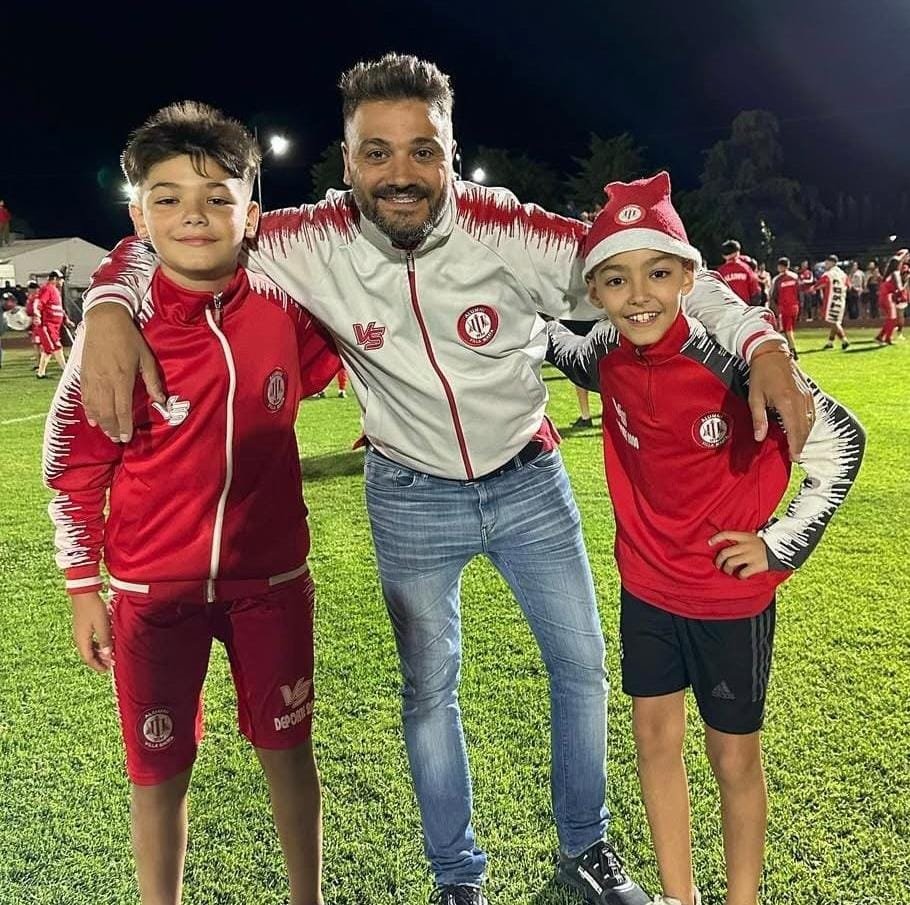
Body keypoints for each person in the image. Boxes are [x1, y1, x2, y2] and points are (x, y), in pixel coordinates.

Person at [77, 55, 813, 905]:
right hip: (410, 492)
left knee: (581, 668)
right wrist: (107, 302)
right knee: (430, 690)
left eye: (422, 150)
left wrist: (762, 341)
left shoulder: (511, 229)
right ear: (347, 160)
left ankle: (587, 849)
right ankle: (458, 877)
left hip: (529, 478)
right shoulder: (303, 239)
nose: (401, 172)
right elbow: (180, 227)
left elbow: (651, 256)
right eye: (377, 152)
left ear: (451, 152)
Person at [42, 101, 341, 905]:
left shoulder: (286, 307)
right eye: (168, 198)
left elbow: (360, 332)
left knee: (289, 753)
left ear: (252, 215)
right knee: (158, 772)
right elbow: (72, 467)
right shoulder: (118, 329)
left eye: (217, 197)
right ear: (138, 218)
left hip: (272, 585)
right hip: (151, 595)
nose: (194, 215)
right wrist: (82, 587)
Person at [546, 172, 865, 905]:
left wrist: (778, 545)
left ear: (690, 277)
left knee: (732, 759)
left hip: (727, 599)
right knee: (655, 744)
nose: (640, 295)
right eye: (617, 280)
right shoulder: (606, 353)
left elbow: (842, 444)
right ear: (595, 292)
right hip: (646, 588)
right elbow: (549, 341)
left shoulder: (734, 361)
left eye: (658, 273)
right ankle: (679, 896)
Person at [34, 270, 70, 378]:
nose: (62, 281)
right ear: (55, 279)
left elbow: (59, 308)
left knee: (48, 350)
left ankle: (41, 373)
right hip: (48, 325)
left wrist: (66, 319)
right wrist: (37, 315)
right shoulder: (47, 289)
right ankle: (66, 371)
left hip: (55, 326)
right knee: (57, 347)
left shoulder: (55, 291)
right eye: (61, 279)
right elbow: (39, 302)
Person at [813, 255, 850, 349]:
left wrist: (813, 288)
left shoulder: (828, 274)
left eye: (827, 263)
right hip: (841, 300)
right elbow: (849, 285)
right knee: (835, 320)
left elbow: (819, 284)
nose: (825, 265)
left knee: (832, 321)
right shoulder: (843, 274)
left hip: (831, 301)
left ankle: (844, 340)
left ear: (832, 263)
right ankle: (830, 342)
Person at [769, 257, 801, 360]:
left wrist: (774, 308)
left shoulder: (777, 279)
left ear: (780, 266)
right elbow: (800, 292)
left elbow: (773, 295)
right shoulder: (795, 277)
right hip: (795, 307)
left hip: (783, 308)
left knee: (786, 330)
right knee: (789, 329)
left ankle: (792, 351)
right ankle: (790, 349)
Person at [716, 240, 762, 306]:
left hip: (728, 307)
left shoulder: (720, 272)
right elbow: (755, 290)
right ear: (738, 252)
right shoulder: (746, 268)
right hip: (744, 307)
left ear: (723, 256)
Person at [876, 255, 905, 345]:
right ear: (897, 264)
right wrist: (907, 283)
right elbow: (899, 288)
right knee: (892, 319)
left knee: (891, 319)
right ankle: (884, 338)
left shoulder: (888, 274)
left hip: (884, 297)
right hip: (888, 297)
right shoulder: (896, 273)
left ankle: (883, 337)